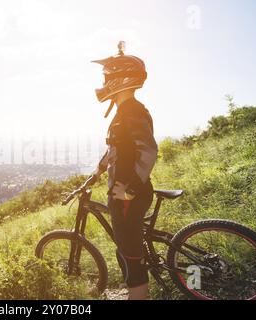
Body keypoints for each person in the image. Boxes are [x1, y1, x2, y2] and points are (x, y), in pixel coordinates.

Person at [91, 42, 158, 300]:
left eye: (108, 76)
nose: (105, 81)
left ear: (121, 78)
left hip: (129, 196)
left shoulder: (131, 112)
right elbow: (118, 150)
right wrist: (97, 172)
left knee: (132, 258)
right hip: (123, 195)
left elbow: (148, 151)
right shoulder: (123, 112)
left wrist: (129, 189)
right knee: (127, 248)